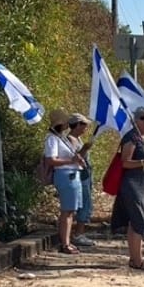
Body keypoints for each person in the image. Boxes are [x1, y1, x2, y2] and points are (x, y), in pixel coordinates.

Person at [116, 106, 144, 271]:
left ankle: (135, 259)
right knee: (138, 222)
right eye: (143, 118)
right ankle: (137, 261)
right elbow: (125, 162)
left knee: (136, 225)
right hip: (133, 186)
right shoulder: (131, 138)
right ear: (135, 120)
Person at [43, 108, 86, 254]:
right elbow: (51, 160)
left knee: (71, 210)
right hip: (65, 174)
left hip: (73, 173)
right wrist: (71, 160)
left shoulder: (60, 137)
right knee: (67, 211)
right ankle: (65, 243)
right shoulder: (52, 139)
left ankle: (67, 240)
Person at [65, 113, 96, 247]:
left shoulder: (77, 139)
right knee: (83, 205)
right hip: (80, 176)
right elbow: (75, 158)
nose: (86, 128)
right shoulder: (70, 139)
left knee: (86, 204)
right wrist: (85, 149)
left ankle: (79, 233)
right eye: (84, 125)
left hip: (85, 175)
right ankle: (78, 234)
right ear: (77, 125)